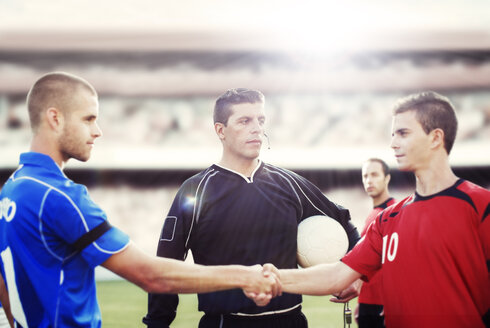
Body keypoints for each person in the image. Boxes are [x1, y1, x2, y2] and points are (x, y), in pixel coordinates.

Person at [0, 72, 281, 328]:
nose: (97, 130)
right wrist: (245, 276)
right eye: (88, 119)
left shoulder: (12, 189)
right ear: (55, 118)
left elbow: (3, 283)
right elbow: (150, 275)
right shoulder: (60, 196)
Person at [269, 91, 490, 328]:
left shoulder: (480, 206)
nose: (393, 143)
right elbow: (337, 276)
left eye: (403, 133)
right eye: (392, 134)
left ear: (435, 138)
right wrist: (269, 278)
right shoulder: (388, 219)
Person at [143, 88, 360, 328]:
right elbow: (166, 264)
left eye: (261, 120)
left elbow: (343, 221)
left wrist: (354, 275)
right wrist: (157, 323)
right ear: (220, 130)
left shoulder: (289, 183)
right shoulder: (195, 191)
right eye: (244, 121)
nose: (256, 128)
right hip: (224, 323)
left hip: (291, 321)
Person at [357, 158, 396, 327]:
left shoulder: (394, 212)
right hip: (367, 302)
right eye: (365, 176)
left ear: (387, 178)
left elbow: (397, 264)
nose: (369, 180)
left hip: (382, 305)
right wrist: (361, 300)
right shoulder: (374, 213)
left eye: (374, 175)